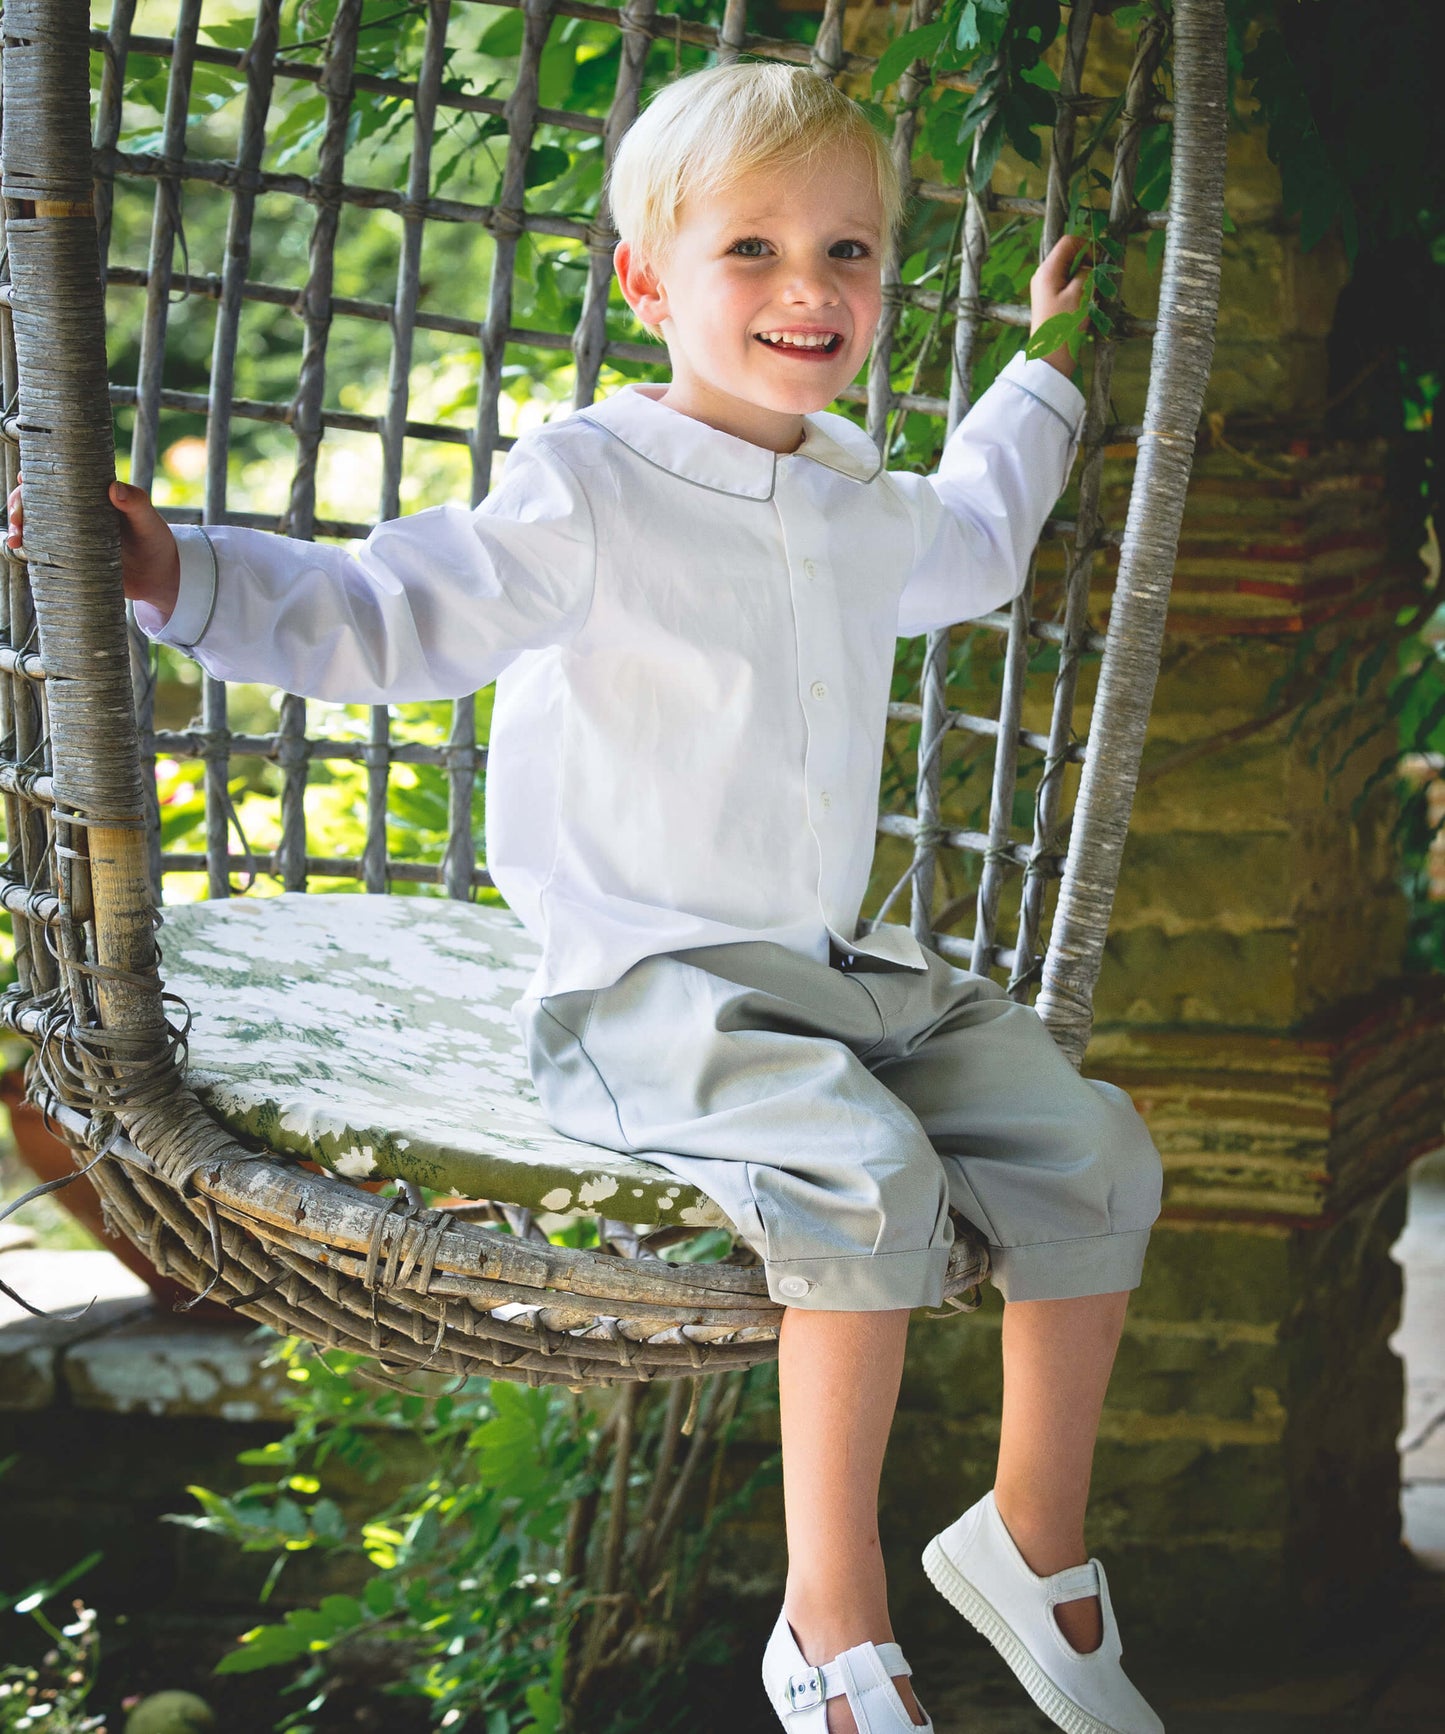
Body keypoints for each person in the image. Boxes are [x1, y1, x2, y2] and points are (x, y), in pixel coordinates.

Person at [10, 59, 1165, 1734]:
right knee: (861, 1172)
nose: (806, 290)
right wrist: (179, 574)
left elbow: (979, 535)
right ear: (647, 281)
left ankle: (1024, 1533)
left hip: (829, 973)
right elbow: (389, 612)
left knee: (1091, 1142)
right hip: (648, 987)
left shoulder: (851, 494)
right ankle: (830, 1624)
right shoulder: (591, 485)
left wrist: (1045, 373)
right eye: (752, 251)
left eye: (846, 254)